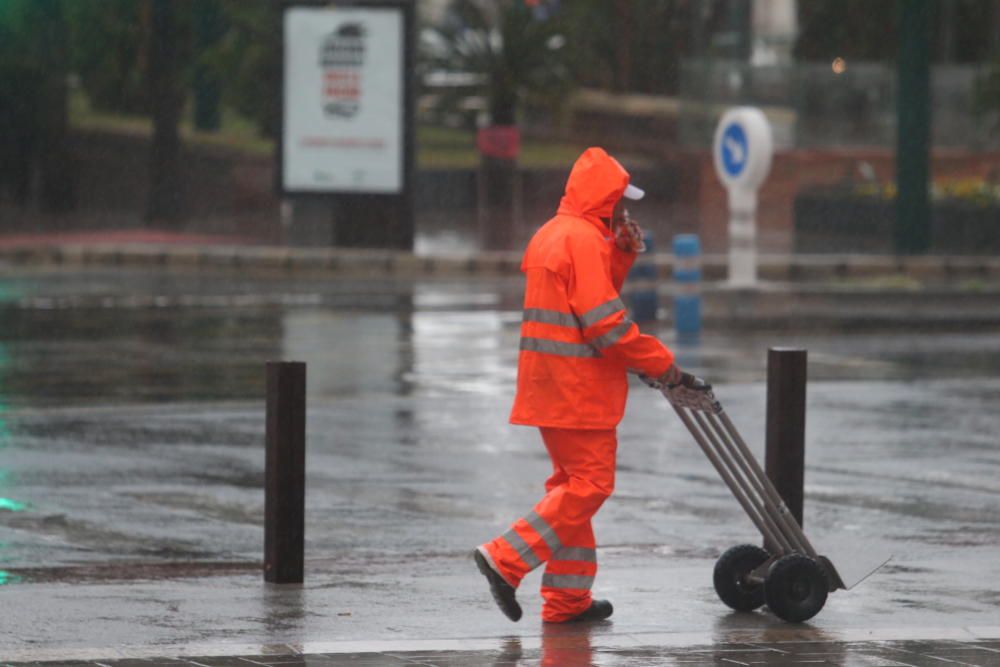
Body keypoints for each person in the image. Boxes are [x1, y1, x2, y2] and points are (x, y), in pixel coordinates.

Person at [474, 147, 682, 624]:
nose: (621, 210)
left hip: (549, 386)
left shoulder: (555, 234)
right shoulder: (584, 241)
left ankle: (567, 600)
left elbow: (587, 297)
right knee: (590, 485)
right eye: (617, 202)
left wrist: (622, 252)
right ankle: (505, 558)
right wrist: (662, 363)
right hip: (578, 391)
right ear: (603, 199)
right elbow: (606, 325)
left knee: (571, 490)